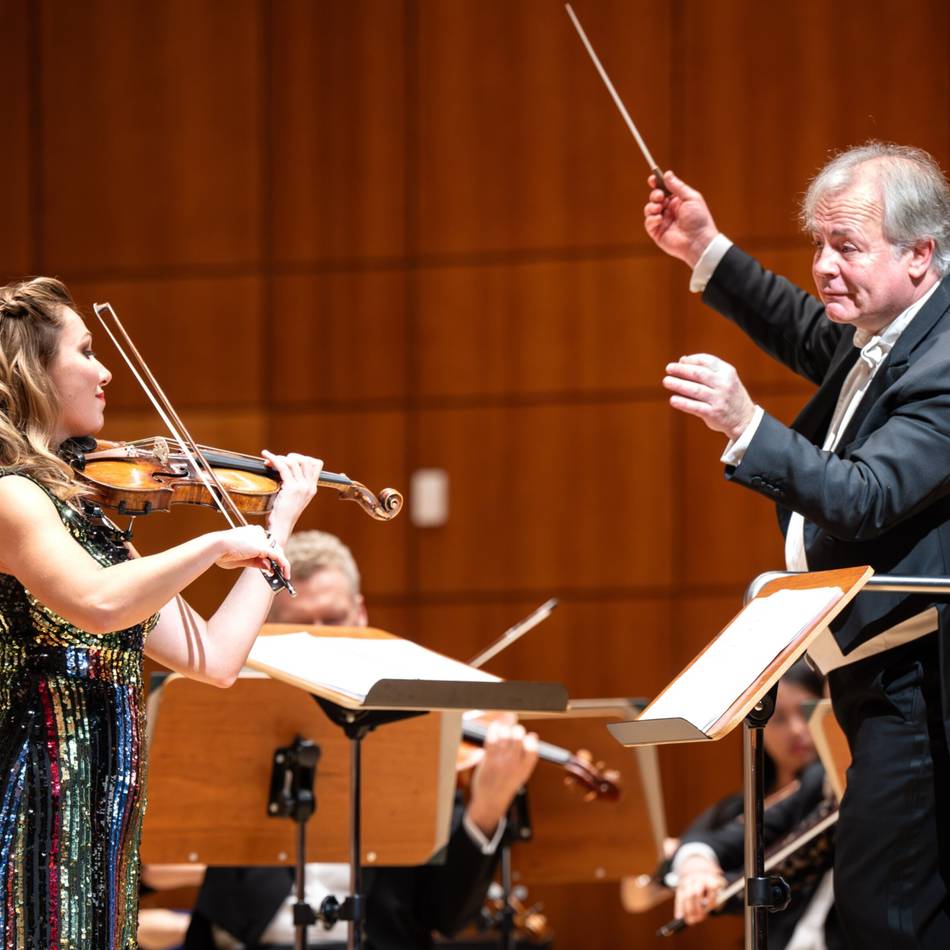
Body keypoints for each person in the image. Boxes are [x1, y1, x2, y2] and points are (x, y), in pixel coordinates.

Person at [644, 142, 950, 946]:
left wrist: (746, 425)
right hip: (869, 674)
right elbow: (804, 328)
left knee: (888, 916)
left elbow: (866, 496)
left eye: (846, 247)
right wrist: (702, 246)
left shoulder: (947, 360)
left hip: (919, 682)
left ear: (920, 254)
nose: (822, 265)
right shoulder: (893, 324)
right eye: (816, 243)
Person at [0, 277, 324, 949]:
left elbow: (217, 658)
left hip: (105, 815)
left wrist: (277, 526)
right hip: (32, 802)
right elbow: (94, 604)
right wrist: (212, 543)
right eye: (85, 351)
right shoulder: (14, 499)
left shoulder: (96, 523)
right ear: (33, 370)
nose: (105, 369)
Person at [183, 530, 540, 949]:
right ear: (268, 627)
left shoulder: (416, 724)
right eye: (301, 625)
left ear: (361, 614)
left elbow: (446, 915)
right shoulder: (224, 716)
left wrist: (487, 808)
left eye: (333, 621)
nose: (321, 639)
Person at [669, 663, 843, 949]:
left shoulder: (823, 780)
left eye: (806, 711)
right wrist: (695, 865)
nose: (798, 730)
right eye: (780, 719)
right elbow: (706, 842)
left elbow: (791, 866)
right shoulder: (744, 803)